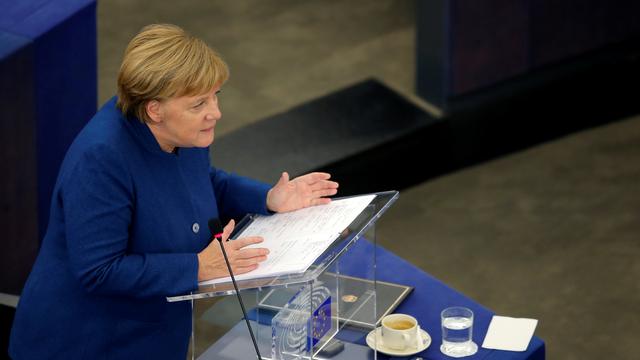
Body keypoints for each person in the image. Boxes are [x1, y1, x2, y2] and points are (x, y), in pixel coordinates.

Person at [9, 23, 339, 359]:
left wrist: (269, 198)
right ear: (155, 109)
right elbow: (99, 270)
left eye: (216, 96)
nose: (216, 112)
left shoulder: (182, 131)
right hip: (89, 343)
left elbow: (201, 181)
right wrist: (197, 266)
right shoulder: (101, 160)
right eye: (199, 104)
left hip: (157, 334)